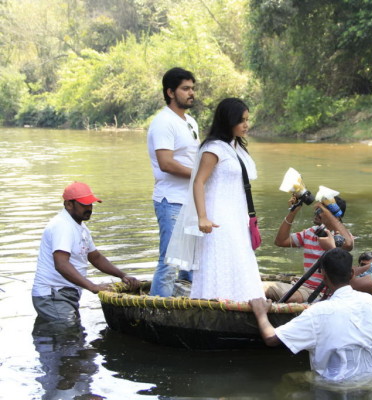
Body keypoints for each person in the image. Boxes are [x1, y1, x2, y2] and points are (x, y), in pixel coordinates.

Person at [165, 98, 264, 301]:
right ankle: (216, 303)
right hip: (218, 216)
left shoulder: (235, 146)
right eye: (241, 120)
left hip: (236, 216)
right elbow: (198, 182)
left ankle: (244, 301)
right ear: (228, 120)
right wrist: (202, 217)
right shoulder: (214, 148)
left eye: (247, 119)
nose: (246, 125)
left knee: (240, 259)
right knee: (220, 259)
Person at [249, 248, 372, 382]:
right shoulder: (370, 302)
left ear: (323, 276)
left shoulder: (317, 312)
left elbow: (271, 339)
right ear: (352, 273)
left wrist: (261, 313)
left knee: (288, 379)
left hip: (337, 384)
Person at [32, 182, 140, 323]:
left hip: (64, 293)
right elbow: (61, 264)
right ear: (69, 204)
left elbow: (95, 257)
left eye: (91, 204)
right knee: (66, 333)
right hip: (53, 293)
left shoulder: (80, 227)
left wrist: (123, 275)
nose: (89, 208)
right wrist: (92, 286)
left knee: (70, 336)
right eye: (84, 204)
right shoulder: (62, 226)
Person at [147, 67, 199, 297]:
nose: (191, 93)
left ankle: (189, 308)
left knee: (190, 261)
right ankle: (158, 312)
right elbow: (166, 163)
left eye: (192, 88)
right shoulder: (163, 122)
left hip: (190, 200)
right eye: (185, 89)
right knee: (169, 261)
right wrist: (199, 176)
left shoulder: (190, 122)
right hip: (171, 201)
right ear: (170, 92)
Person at [265, 197, 354, 303]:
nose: (316, 212)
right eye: (317, 209)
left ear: (335, 217)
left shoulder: (341, 237)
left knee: (291, 298)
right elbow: (281, 241)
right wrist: (293, 212)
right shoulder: (311, 232)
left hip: (320, 292)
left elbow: (349, 244)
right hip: (301, 286)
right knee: (259, 288)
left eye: (321, 211)